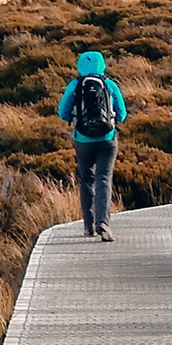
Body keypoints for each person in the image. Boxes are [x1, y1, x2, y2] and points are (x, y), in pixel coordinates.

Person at [58, 49, 127, 241]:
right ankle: (102, 224)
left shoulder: (75, 85)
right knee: (104, 179)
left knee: (86, 180)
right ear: (102, 64)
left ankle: (88, 226)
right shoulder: (110, 85)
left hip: (82, 140)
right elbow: (122, 114)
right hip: (107, 139)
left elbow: (62, 112)